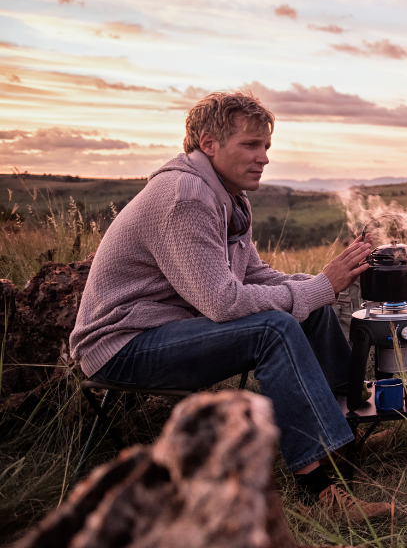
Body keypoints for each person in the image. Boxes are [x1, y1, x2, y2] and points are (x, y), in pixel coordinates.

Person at [69, 91, 390, 520]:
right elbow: (223, 302)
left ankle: (344, 435)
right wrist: (317, 288)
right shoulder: (186, 195)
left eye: (266, 147)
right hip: (124, 347)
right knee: (274, 327)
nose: (264, 158)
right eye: (251, 145)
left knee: (311, 304)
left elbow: (253, 275)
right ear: (209, 143)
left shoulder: (230, 197)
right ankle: (318, 489)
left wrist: (319, 284)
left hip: (171, 330)